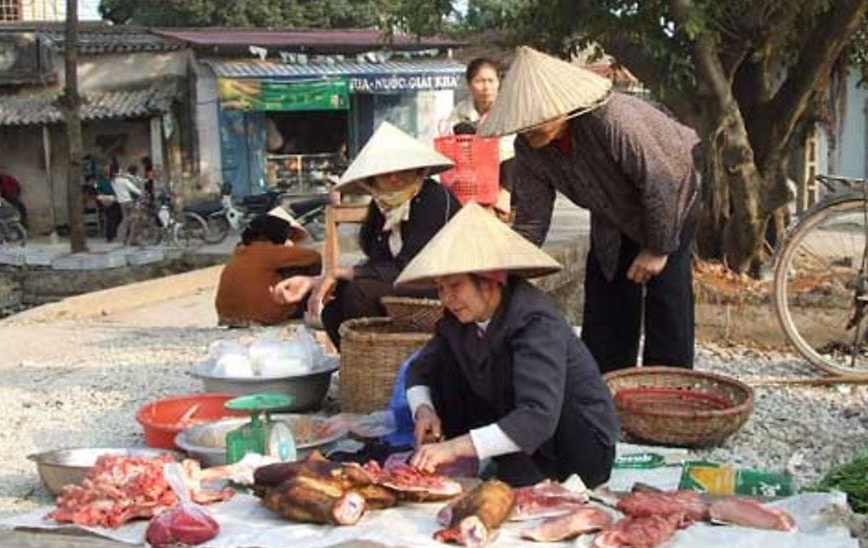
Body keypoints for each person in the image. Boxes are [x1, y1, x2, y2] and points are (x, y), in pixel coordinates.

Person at [478, 46, 702, 374]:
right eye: (525, 121)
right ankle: (606, 386)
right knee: (606, 295)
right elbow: (531, 218)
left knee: (667, 299)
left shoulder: (612, 120)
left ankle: (668, 394)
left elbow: (660, 182)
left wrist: (657, 249)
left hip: (673, 195)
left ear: (564, 107)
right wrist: (506, 271)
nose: (531, 127)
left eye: (541, 117)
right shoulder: (529, 150)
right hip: (611, 215)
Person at [399, 203, 619, 488]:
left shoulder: (534, 321)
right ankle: (505, 461)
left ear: (489, 283)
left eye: (455, 286)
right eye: (441, 288)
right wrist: (424, 411)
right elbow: (419, 370)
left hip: (579, 448)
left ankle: (524, 467)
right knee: (447, 364)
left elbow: (538, 416)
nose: (446, 298)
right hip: (523, 435)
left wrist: (453, 448)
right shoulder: (458, 320)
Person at [273, 122, 460, 348]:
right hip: (400, 286)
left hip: (441, 286)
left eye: (402, 170)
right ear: (372, 182)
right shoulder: (381, 210)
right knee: (335, 303)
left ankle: (380, 362)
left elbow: (414, 267)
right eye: (385, 173)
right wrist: (316, 282)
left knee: (359, 291)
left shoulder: (434, 198)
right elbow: (378, 264)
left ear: (419, 171)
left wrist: (344, 272)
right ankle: (360, 365)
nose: (394, 178)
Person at [215, 208, 322, 327]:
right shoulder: (267, 250)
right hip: (259, 316)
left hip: (227, 316)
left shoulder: (240, 251)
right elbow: (314, 257)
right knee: (299, 271)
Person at [446, 57, 516, 221]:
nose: (486, 87)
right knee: (463, 130)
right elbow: (451, 139)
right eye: (480, 81)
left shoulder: (508, 109)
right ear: (469, 84)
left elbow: (508, 149)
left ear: (499, 82)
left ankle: (505, 196)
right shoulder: (461, 110)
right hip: (471, 172)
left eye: (491, 81)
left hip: (506, 172)